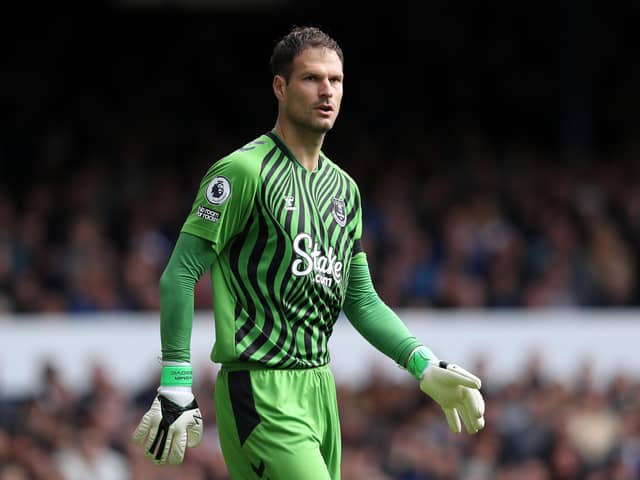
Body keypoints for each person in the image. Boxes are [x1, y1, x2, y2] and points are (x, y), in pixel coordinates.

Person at [132, 25, 485, 479]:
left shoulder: (345, 190)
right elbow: (178, 274)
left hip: (320, 387)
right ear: (280, 87)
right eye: (312, 79)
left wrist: (423, 364)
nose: (327, 91)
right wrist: (176, 380)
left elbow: (360, 300)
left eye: (336, 81)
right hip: (259, 386)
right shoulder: (243, 171)